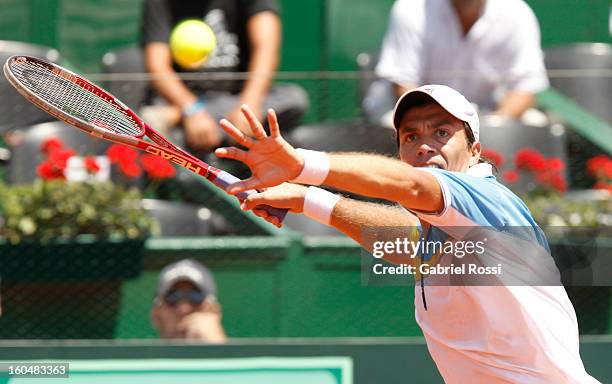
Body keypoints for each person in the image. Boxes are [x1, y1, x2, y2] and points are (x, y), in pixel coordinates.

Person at [212, 85, 599, 383]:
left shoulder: (487, 200)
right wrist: (308, 200)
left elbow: (414, 188)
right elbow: (408, 242)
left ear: (475, 151)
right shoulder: (447, 235)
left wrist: (302, 165)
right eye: (410, 137)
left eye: (442, 131)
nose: (424, 144)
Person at [140, 0, 308, 151]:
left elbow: (266, 51)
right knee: (159, 122)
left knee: (294, 98)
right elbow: (157, 66)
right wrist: (192, 109)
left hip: (239, 100)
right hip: (185, 100)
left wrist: (248, 106)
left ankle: (175, 119)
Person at [369, 0, 548, 125]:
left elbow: (525, 88)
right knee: (390, 123)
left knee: (535, 122)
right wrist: (440, 128)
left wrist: (493, 124)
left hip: (482, 116)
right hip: (413, 111)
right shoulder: (410, 9)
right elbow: (404, 86)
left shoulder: (517, 13)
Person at [151, 258, 227, 342]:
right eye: (173, 297)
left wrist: (215, 345)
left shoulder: (241, 355)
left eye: (195, 296)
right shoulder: (136, 355)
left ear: (215, 313)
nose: (184, 309)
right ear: (155, 316)